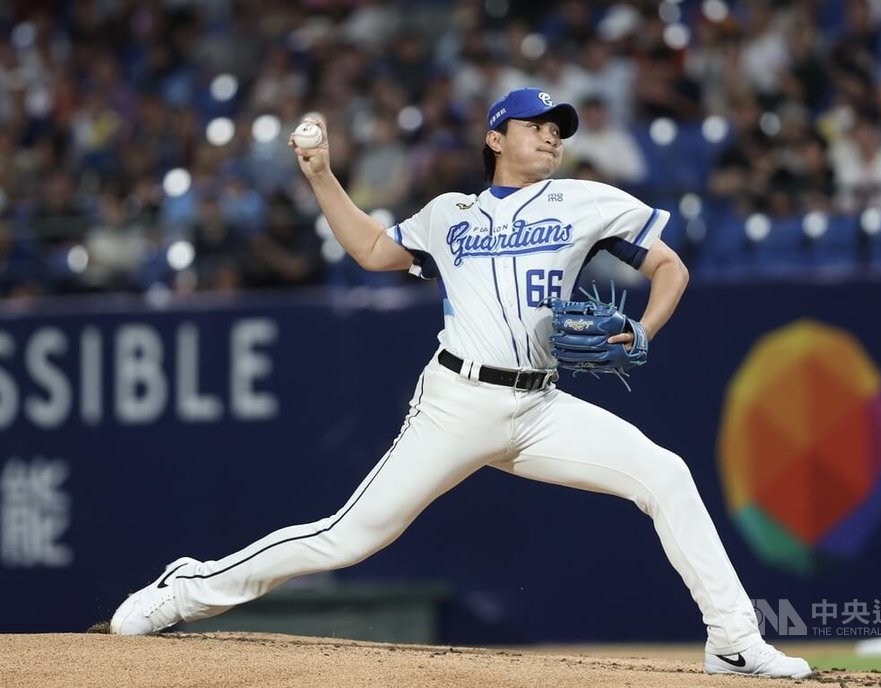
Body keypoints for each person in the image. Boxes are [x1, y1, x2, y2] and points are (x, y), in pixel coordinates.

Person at [109, 87, 812, 680]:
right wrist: (321, 175)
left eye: (558, 129)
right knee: (346, 538)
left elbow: (670, 267)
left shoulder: (586, 202)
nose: (552, 136)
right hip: (457, 402)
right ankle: (186, 588)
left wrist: (646, 329)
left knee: (667, 475)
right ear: (495, 139)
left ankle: (733, 640)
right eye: (536, 126)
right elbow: (372, 250)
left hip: (540, 406)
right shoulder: (451, 214)